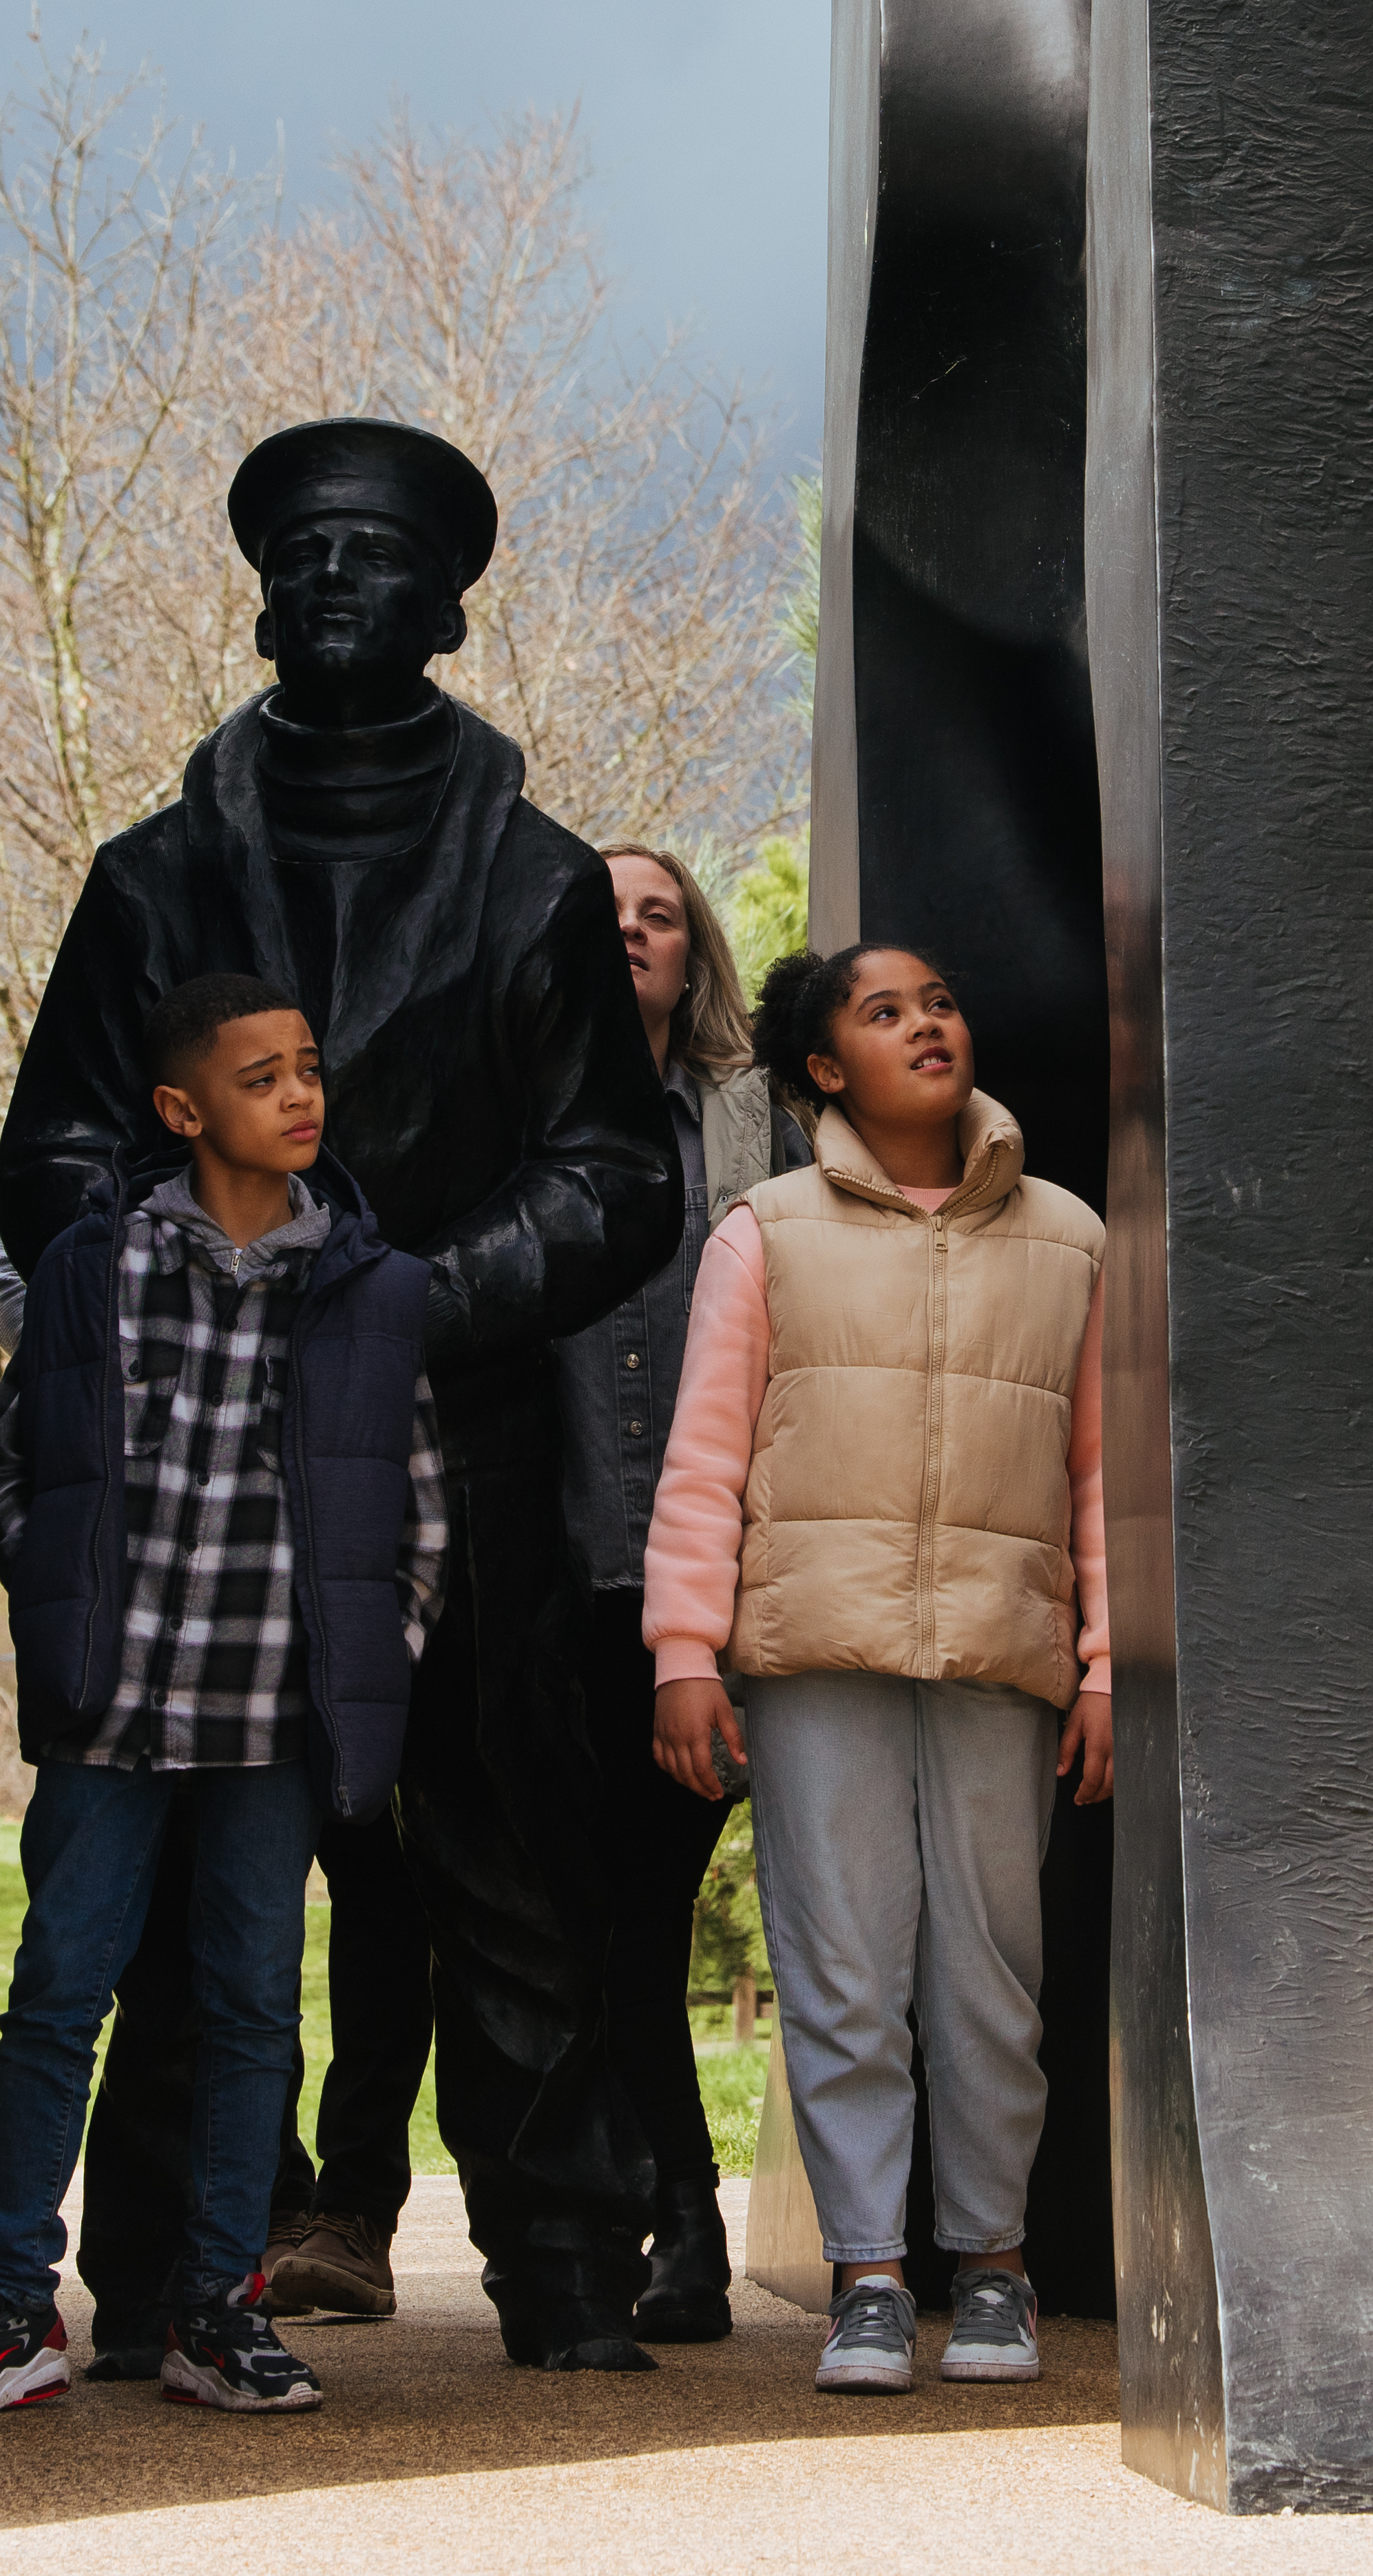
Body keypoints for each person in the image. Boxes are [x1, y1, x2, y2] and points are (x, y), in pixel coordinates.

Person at [0, 416, 681, 2369]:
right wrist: (194, 1276)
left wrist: (408, 1301)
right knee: (166, 1877)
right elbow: (51, 1157)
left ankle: (559, 2263)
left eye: (369, 553)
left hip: (453, 1431)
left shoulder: (538, 882)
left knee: (506, 1863)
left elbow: (618, 1175)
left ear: (451, 603)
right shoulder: (151, 880)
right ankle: (149, 2279)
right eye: (294, 552)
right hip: (193, 1455)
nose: (328, 579)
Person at [0, 972, 448, 2424]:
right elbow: (17, 1465)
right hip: (115, 1704)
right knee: (55, 1994)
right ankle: (12, 2303)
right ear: (181, 1108)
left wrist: (366, 1649)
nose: (299, 1093)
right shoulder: (96, 1268)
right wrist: (67, 1615)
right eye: (261, 1074)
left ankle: (220, 2305)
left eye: (309, 1067)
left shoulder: (374, 1289)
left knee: (251, 2010)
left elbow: (420, 1509)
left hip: (273, 1714)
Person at [642, 943, 1111, 2398]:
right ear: (825, 1070)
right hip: (811, 1648)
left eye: (943, 1001)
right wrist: (681, 1650)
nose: (928, 1023)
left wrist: (1101, 1664)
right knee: (842, 1962)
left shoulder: (1070, 1236)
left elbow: (1100, 1474)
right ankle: (867, 2271)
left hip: (997, 1645)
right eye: (884, 1009)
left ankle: (991, 2263)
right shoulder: (762, 1231)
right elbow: (705, 1457)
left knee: (991, 1969)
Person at [522, 841, 797, 2343]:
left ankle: (669, 2209)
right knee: (583, 1926)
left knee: (641, 1910)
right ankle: (649, 2215)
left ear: (697, 955)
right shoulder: (517, 1115)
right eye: (603, 913)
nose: (631, 932)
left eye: (661, 915)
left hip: (715, 1586)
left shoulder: (763, 1124)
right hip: (555, 1572)